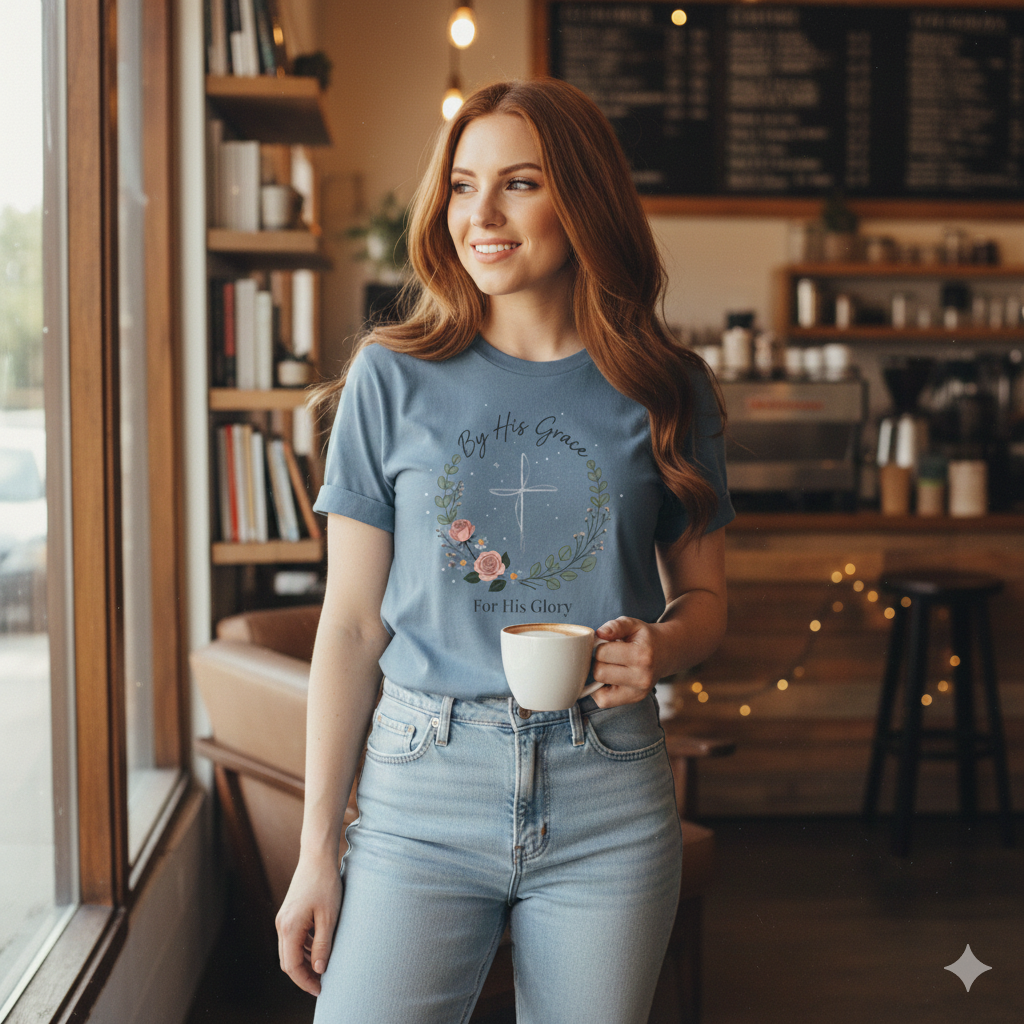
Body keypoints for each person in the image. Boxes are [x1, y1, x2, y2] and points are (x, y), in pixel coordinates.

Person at [275, 78, 734, 1024]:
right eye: (462, 185)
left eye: (519, 183)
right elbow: (351, 625)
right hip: (422, 791)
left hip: (607, 792)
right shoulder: (389, 376)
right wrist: (317, 847)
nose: (480, 214)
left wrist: (663, 647)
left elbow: (706, 601)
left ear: (584, 199)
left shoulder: (668, 387)